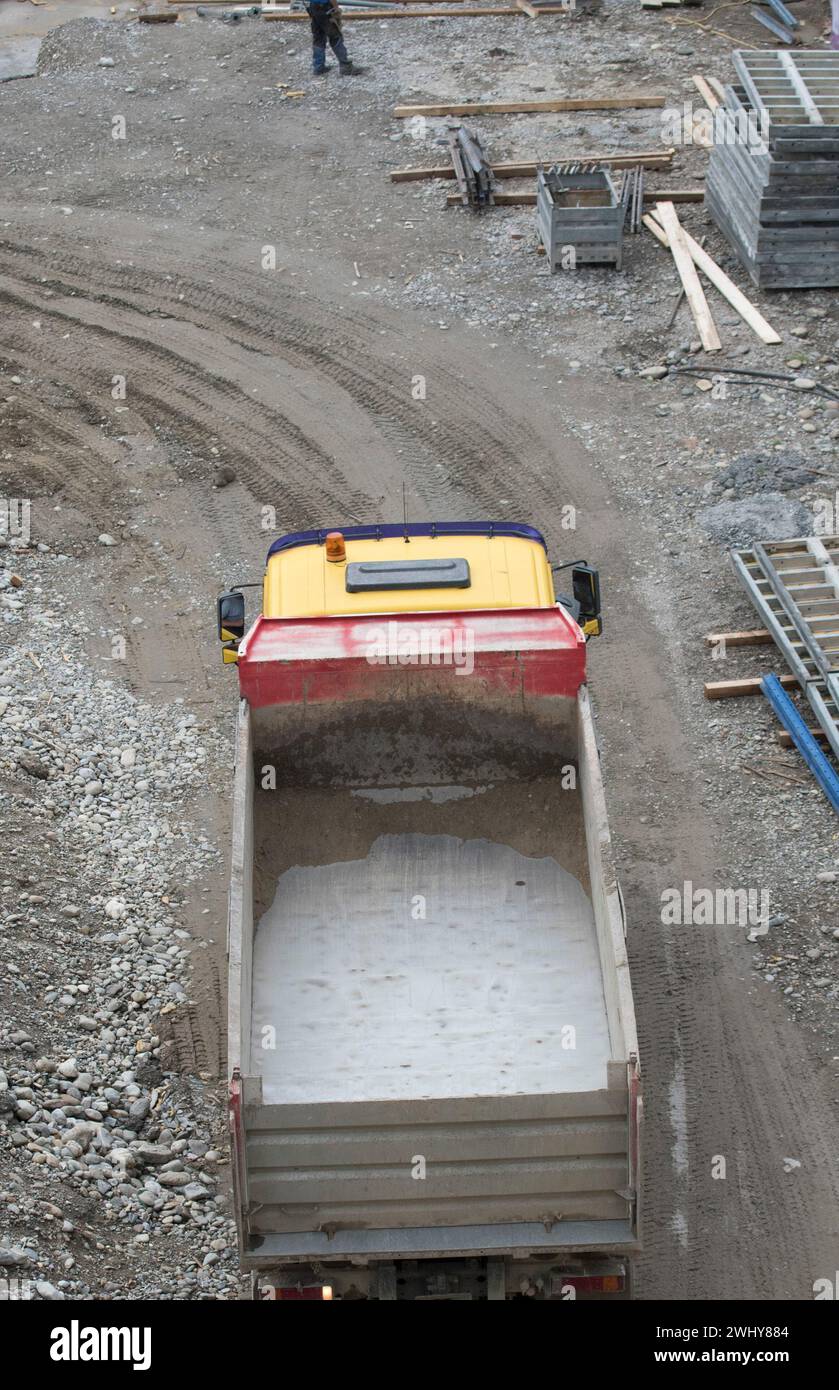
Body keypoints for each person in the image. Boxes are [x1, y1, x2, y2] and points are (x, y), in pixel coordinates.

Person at [305, 0, 360, 77]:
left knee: (318, 38)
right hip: (324, 7)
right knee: (335, 36)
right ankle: (345, 66)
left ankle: (318, 67)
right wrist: (336, 7)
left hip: (313, 7)